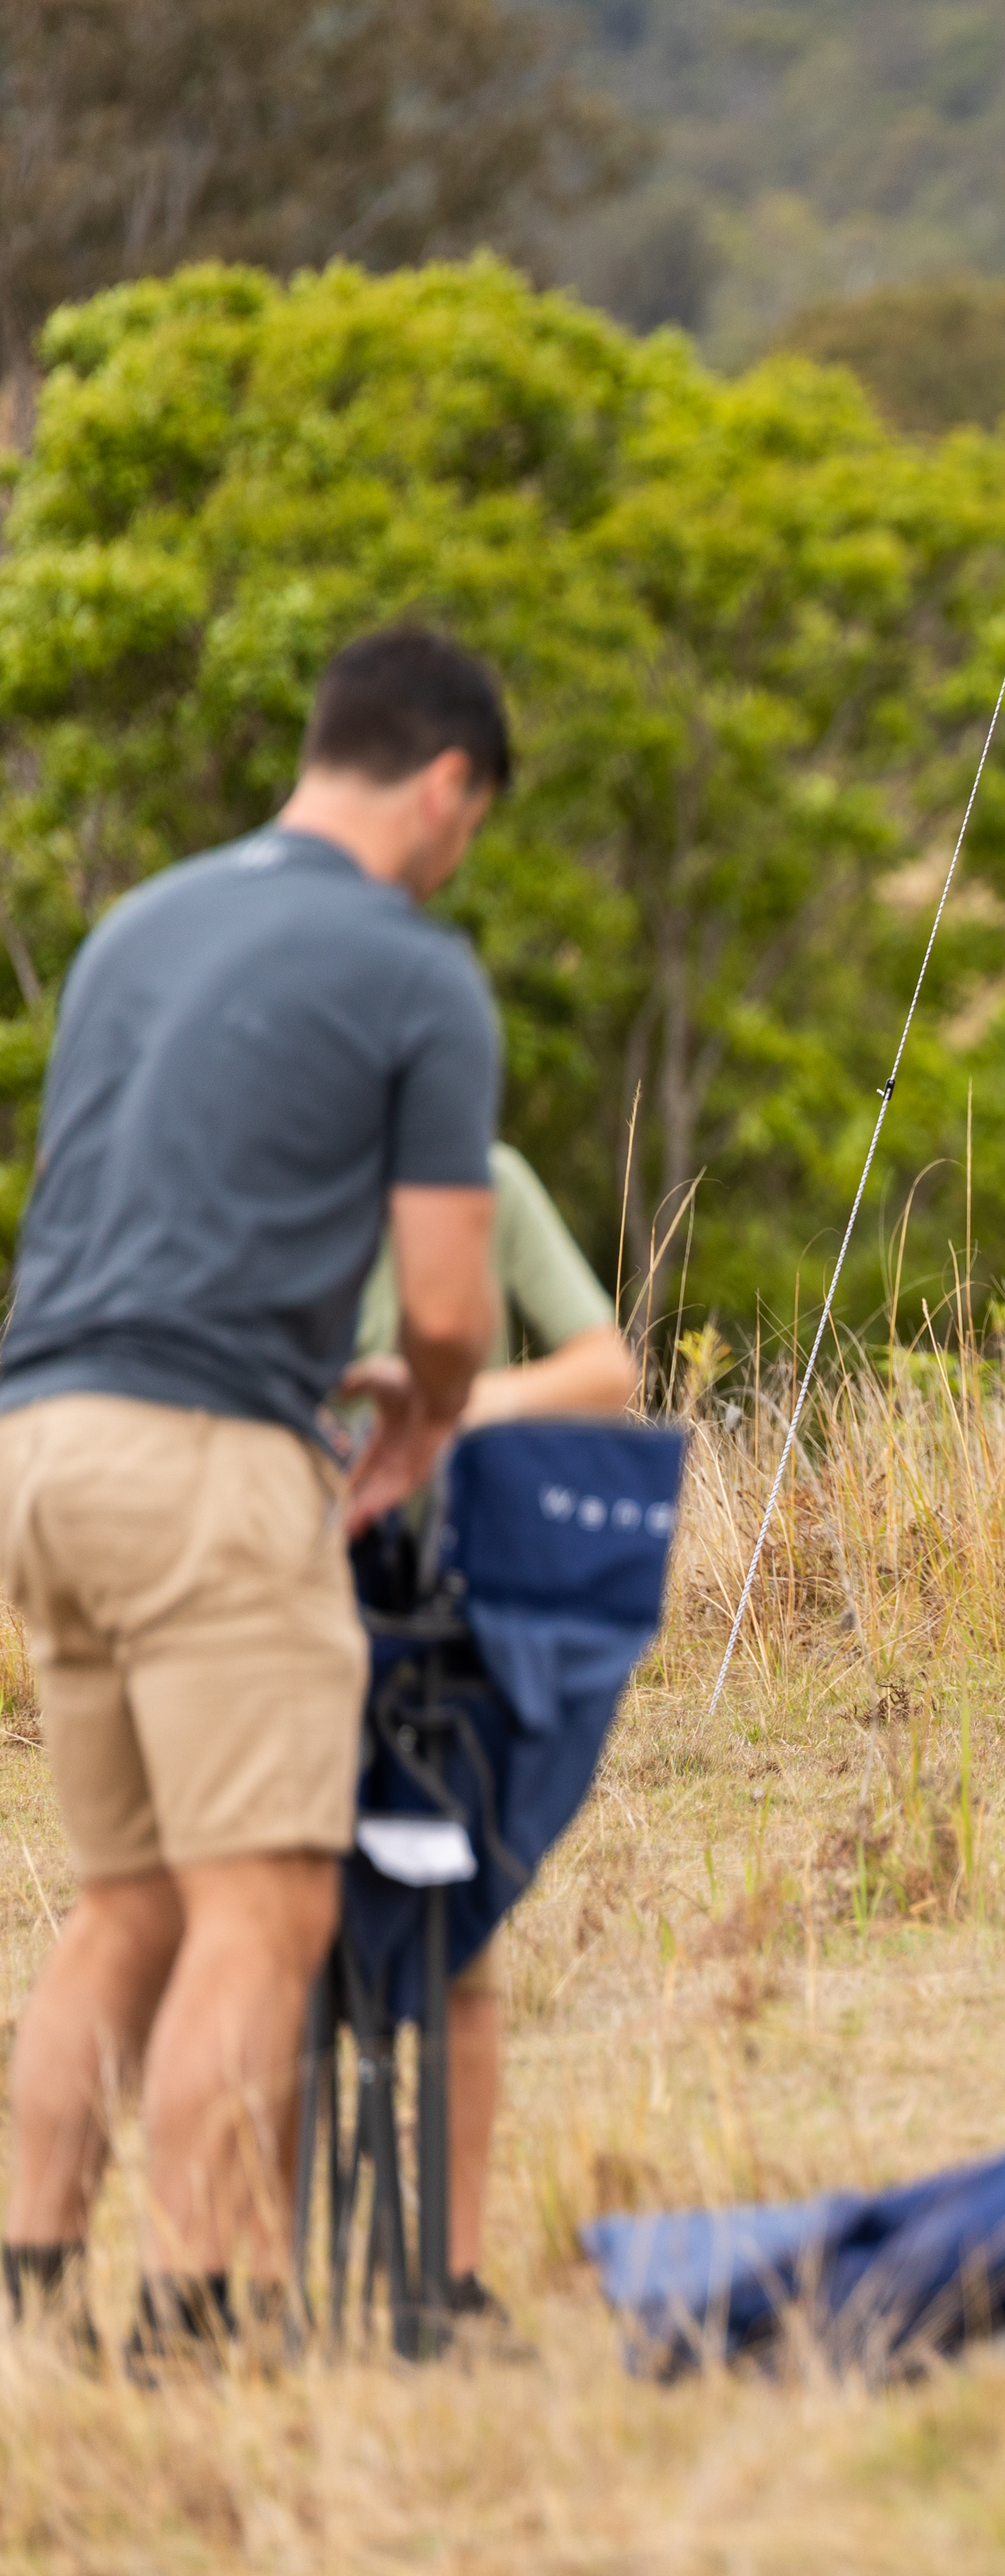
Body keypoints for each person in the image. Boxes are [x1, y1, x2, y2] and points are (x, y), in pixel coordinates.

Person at [0, 628, 508, 2371]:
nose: (461, 858)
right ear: (446, 781)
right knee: (265, 1903)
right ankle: (204, 2316)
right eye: (473, 824)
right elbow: (445, 1304)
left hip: (40, 1445)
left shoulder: (138, 925)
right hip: (209, 1458)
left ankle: (30, 2285)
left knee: (127, 1899)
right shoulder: (413, 967)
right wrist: (426, 1414)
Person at [350, 1140, 637, 2330]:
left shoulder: (482, 1175)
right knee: (272, 1946)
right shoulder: (248, 1167)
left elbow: (605, 1365)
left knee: (461, 1948)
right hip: (271, 1588)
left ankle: (449, 2278)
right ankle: (261, 2279)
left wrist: (460, 1412)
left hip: (439, 1597)